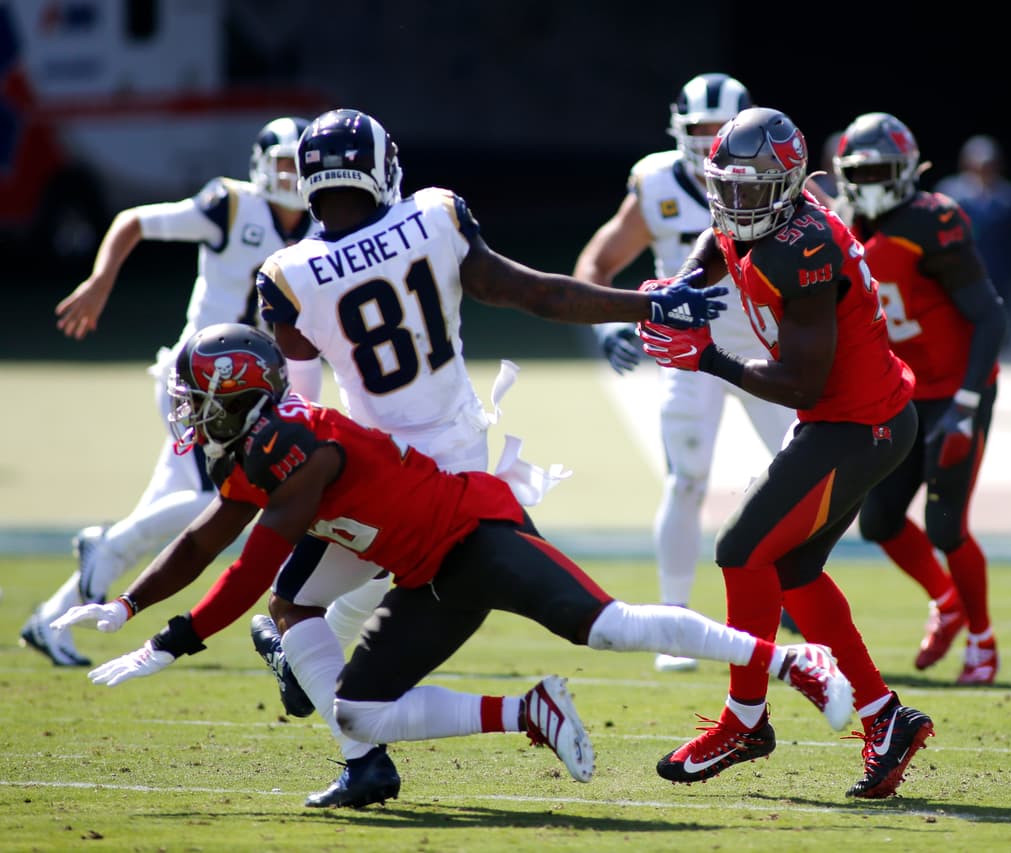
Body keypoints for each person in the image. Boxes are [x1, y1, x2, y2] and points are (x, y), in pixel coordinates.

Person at [111, 107, 726, 809]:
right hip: (461, 453)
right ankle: (360, 749)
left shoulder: (288, 273)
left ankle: (356, 739)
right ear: (382, 167)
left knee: (299, 599)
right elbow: (539, 294)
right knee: (305, 600)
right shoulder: (436, 216)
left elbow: (300, 353)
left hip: (382, 469)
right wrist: (645, 306)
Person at [52, 323, 854, 801]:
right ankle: (529, 711)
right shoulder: (259, 445)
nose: (187, 411)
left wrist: (174, 640)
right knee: (358, 713)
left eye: (197, 395)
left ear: (238, 393)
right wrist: (128, 605)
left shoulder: (294, 446)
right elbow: (202, 539)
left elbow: (254, 563)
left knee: (605, 627)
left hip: (475, 532)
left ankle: (789, 657)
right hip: (423, 574)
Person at [636, 107, 935, 799]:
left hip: (859, 425)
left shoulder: (800, 247)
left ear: (789, 182)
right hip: (854, 419)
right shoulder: (765, 217)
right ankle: (885, 716)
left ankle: (745, 718)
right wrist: (684, 281)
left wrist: (705, 355)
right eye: (727, 187)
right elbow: (718, 239)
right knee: (794, 568)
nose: (735, 203)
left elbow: (802, 379)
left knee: (742, 548)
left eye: (750, 189)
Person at [21, 116, 318, 667]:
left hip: (244, 397)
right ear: (258, 167)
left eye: (298, 165)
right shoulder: (230, 206)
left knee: (161, 514)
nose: (291, 176)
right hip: (198, 386)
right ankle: (103, 548)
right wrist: (100, 281)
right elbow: (133, 221)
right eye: (281, 164)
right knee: (215, 503)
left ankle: (51, 620)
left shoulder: (318, 229)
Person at [574, 73, 796, 673]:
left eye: (712, 128)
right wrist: (606, 323)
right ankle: (675, 622)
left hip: (766, 353)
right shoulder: (657, 182)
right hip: (690, 355)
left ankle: (796, 592)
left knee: (802, 477)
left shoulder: (775, 178)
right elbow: (599, 258)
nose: (703, 142)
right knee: (686, 480)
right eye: (694, 129)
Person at [829, 112, 1007, 686]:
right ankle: (948, 600)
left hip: (956, 389)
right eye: (863, 170)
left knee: (946, 525)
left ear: (908, 171)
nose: (873, 180)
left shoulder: (934, 220)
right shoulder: (842, 224)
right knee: (879, 520)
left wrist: (969, 400)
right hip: (901, 391)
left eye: (884, 168)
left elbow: (989, 315)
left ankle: (982, 639)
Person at [934, 134, 1011, 340]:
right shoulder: (949, 195)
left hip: (997, 274)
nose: (983, 170)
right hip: (958, 274)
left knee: (995, 327)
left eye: (989, 164)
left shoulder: (1008, 197)